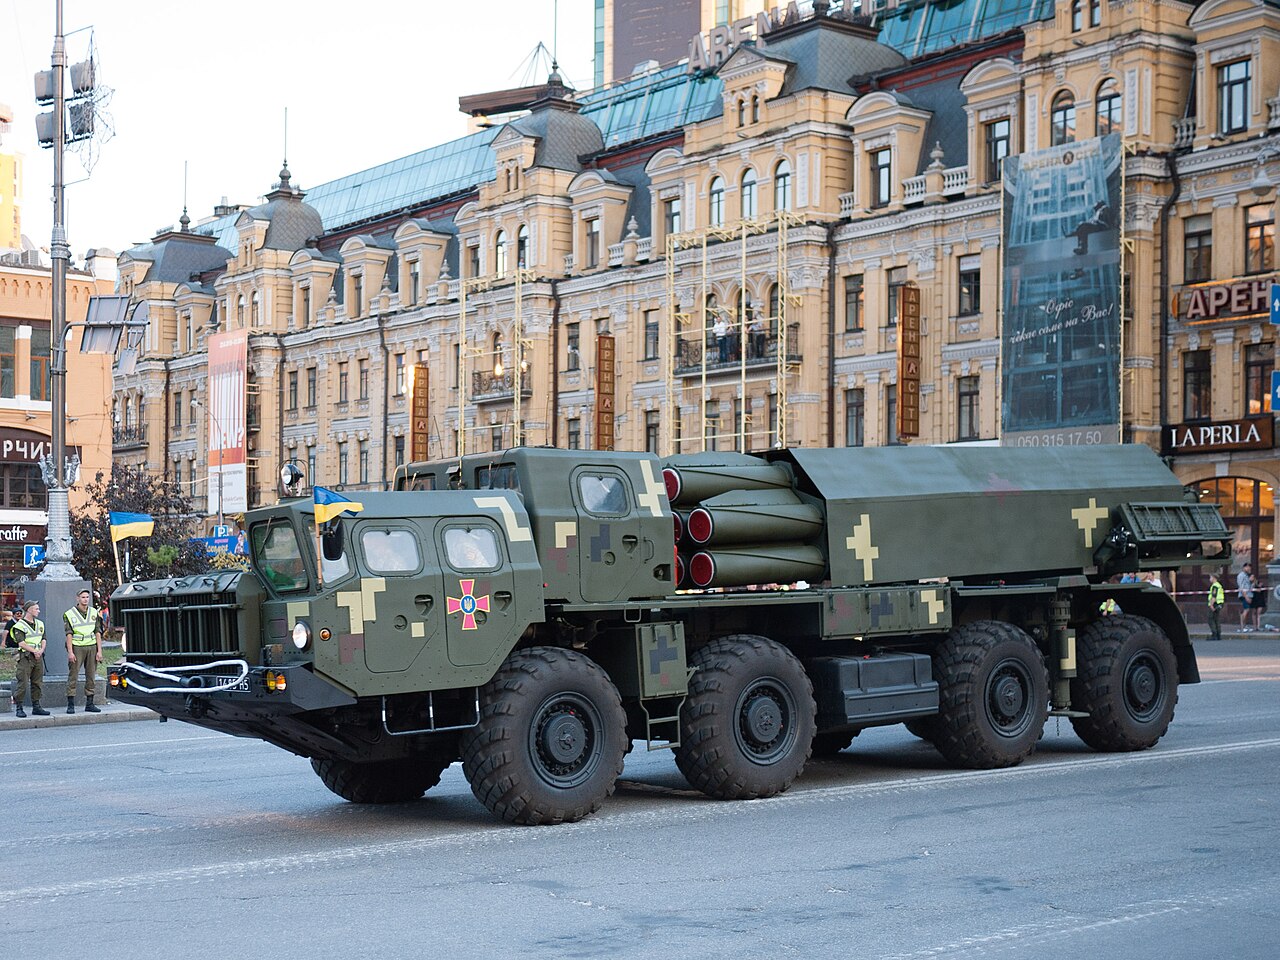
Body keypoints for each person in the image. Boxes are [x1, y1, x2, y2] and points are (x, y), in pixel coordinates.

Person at [64, 588, 103, 714]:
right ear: (77, 598)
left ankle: (90, 703)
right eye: (83, 597)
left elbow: (98, 632)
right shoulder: (69, 614)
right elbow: (69, 634)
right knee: (73, 675)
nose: (85, 599)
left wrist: (99, 651)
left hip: (91, 646)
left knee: (91, 675)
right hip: (77, 646)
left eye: (87, 597)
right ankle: (71, 704)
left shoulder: (93, 612)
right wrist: (70, 652)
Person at [10, 600, 49, 718]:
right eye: (36, 609)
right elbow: (21, 643)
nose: (38, 611)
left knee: (37, 682)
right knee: (22, 682)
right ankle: (19, 707)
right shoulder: (20, 626)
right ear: (29, 610)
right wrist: (35, 651)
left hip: (38, 656)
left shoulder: (40, 624)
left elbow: (43, 638)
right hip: (26, 657)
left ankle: (36, 706)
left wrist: (41, 650)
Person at [1207, 572, 1225, 642]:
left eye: (1210, 577)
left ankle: (1214, 634)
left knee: (1211, 619)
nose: (1210, 579)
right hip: (1219, 604)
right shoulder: (1219, 585)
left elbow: (1214, 596)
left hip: (1215, 604)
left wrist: (1211, 605)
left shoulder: (1215, 586)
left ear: (1214, 578)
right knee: (1216, 619)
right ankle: (1218, 635)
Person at [1237, 563, 1255, 632]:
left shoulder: (1246, 576)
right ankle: (1242, 627)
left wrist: (1251, 581)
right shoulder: (1241, 575)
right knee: (1246, 610)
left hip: (1248, 594)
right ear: (1244, 568)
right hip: (1244, 595)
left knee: (1247, 610)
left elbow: (1249, 586)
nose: (1249, 569)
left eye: (1250, 568)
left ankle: (1245, 625)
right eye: (1248, 568)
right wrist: (1246, 597)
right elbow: (1242, 587)